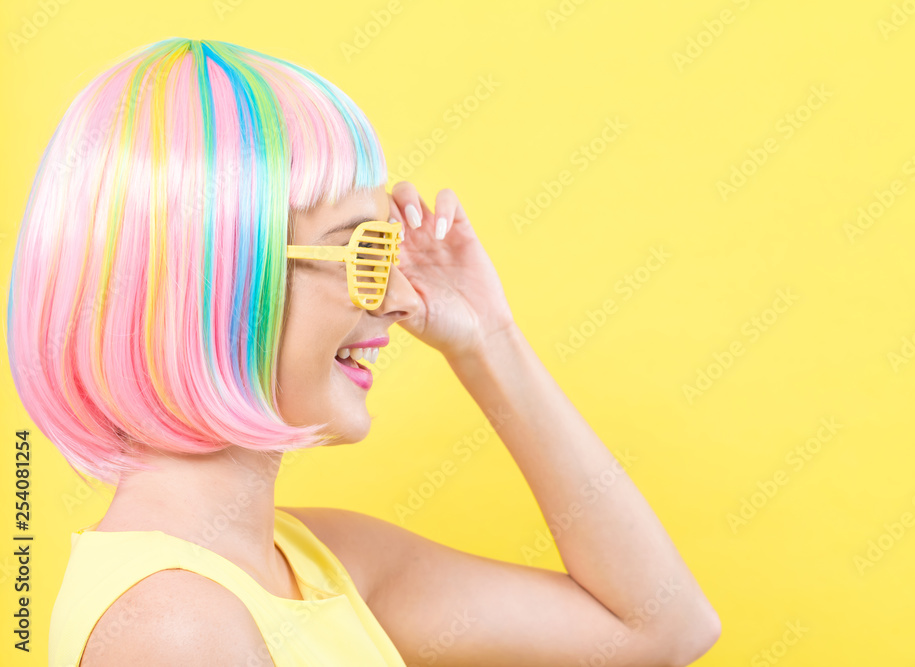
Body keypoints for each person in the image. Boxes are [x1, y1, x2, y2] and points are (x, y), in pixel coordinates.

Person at [6, 38, 721, 666]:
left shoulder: (319, 561)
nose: (398, 298)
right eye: (364, 251)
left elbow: (659, 625)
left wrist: (488, 339)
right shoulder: (174, 626)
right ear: (221, 280)